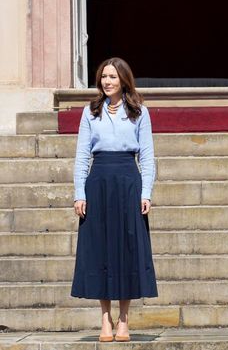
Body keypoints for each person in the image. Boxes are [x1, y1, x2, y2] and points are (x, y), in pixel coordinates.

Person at [71, 57, 158, 342]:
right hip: (98, 183)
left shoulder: (139, 112)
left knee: (126, 250)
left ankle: (123, 320)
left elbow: (147, 155)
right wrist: (79, 194)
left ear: (123, 80)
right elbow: (82, 155)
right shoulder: (90, 112)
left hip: (128, 181)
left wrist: (146, 192)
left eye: (112, 77)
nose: (107, 81)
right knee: (101, 250)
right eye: (103, 77)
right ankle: (105, 320)